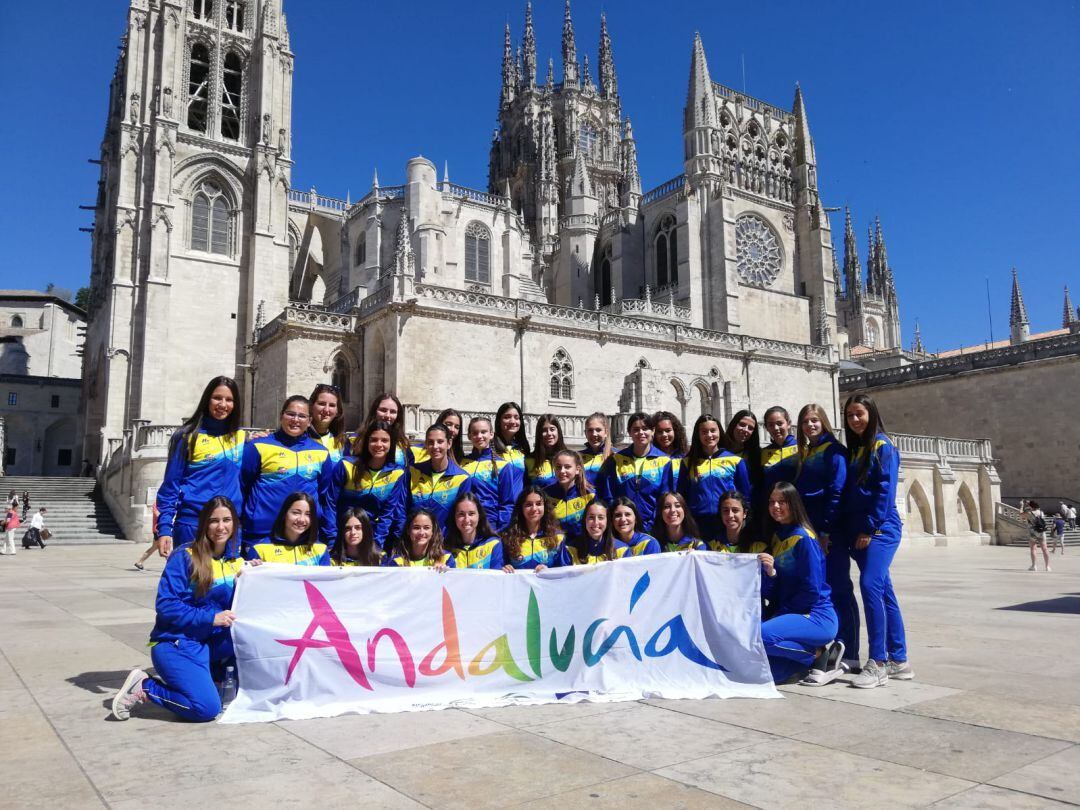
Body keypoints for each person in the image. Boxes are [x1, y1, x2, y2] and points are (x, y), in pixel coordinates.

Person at [111, 496, 252, 722]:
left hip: (209, 644)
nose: (221, 527)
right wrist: (210, 617)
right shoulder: (185, 556)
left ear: (234, 523)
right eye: (213, 521)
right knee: (205, 708)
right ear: (204, 524)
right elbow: (166, 605)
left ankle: (212, 677)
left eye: (227, 520)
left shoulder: (236, 561)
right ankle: (146, 687)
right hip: (177, 643)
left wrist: (254, 576)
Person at [841, 393, 912, 686]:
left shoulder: (883, 447)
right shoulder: (857, 449)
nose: (855, 420)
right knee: (883, 590)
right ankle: (900, 659)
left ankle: (879, 661)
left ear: (871, 414)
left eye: (860, 414)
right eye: (850, 416)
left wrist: (869, 529)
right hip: (860, 529)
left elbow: (884, 493)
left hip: (879, 529)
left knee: (870, 585)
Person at [758, 483, 843, 686]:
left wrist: (782, 613)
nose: (775, 506)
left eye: (781, 501)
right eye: (772, 502)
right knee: (773, 675)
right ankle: (807, 661)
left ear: (793, 503)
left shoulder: (805, 538)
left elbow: (811, 590)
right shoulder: (779, 536)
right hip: (792, 612)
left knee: (760, 635)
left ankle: (820, 653)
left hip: (816, 615)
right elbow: (778, 586)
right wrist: (771, 574)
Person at [155, 376, 247, 555]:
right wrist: (164, 528)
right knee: (191, 581)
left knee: (226, 582)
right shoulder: (186, 436)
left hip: (229, 528)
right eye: (217, 398)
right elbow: (170, 487)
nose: (223, 404)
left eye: (229, 400)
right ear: (207, 400)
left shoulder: (241, 439)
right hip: (192, 524)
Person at [793, 403, 855, 660]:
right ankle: (826, 650)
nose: (810, 425)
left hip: (829, 533)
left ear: (825, 422)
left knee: (839, 589)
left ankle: (849, 651)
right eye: (806, 421)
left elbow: (837, 491)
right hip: (810, 530)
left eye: (815, 420)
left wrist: (827, 531)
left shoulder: (834, 451)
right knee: (818, 589)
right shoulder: (808, 451)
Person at [240, 395, 333, 547]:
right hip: (261, 534)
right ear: (281, 415)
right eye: (291, 414)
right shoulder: (258, 446)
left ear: (309, 421)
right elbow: (243, 486)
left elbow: (324, 494)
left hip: (303, 536)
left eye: (302, 416)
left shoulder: (321, 453)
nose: (295, 420)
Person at [324, 420, 407, 551]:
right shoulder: (346, 466)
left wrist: (377, 546)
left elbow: (387, 514)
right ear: (366, 442)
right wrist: (332, 539)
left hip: (372, 541)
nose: (379, 445)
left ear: (391, 444)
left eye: (384, 440)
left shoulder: (397, 473)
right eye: (374, 440)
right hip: (341, 538)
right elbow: (330, 504)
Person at [596, 412, 674, 533]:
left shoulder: (663, 461)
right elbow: (609, 495)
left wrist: (651, 523)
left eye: (645, 429)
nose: (641, 433)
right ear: (629, 432)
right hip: (622, 526)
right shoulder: (617, 460)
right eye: (636, 429)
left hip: (653, 528)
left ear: (653, 431)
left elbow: (664, 498)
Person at [678, 413, 751, 539]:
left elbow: (745, 495)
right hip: (698, 523)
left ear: (719, 432)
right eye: (704, 432)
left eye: (713, 431)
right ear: (698, 435)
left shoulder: (735, 461)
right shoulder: (687, 463)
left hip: (727, 522)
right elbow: (682, 495)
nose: (709, 435)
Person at [407, 423, 473, 534]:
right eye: (431, 442)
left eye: (440, 442)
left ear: (449, 443)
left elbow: (462, 515)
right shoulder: (413, 471)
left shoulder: (462, 478)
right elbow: (403, 509)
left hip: (445, 544)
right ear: (426, 445)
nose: (435, 446)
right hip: (415, 541)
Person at [461, 416, 521, 532]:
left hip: (491, 525)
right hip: (465, 524)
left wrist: (499, 530)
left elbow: (507, 503)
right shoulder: (462, 464)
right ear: (469, 436)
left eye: (483, 432)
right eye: (475, 433)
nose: (479, 436)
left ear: (491, 434)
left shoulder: (503, 466)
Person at [247, 492, 330, 566]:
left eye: (308, 514)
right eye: (296, 513)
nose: (301, 519)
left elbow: (325, 582)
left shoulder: (321, 550)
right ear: (284, 514)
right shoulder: (260, 549)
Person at [500, 486, 571, 571]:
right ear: (521, 508)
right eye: (528, 505)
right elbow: (497, 569)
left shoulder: (557, 538)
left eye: (538, 504)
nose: (534, 509)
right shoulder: (508, 537)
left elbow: (564, 572)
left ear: (545, 507)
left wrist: (549, 570)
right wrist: (504, 568)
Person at [444, 492, 504, 569]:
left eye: (471, 513)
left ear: (479, 515)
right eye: (461, 514)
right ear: (454, 517)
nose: (466, 520)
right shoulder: (446, 548)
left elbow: (497, 577)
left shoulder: (493, 544)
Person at [544, 449, 593, 539]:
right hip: (555, 548)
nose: (562, 471)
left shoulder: (589, 495)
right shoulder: (545, 495)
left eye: (567, 467)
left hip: (580, 548)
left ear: (577, 470)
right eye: (558, 467)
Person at [384, 509, 455, 569]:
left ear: (432, 531)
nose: (421, 532)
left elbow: (453, 583)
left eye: (426, 528)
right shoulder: (396, 562)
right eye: (416, 528)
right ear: (408, 531)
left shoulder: (445, 558)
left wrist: (443, 574)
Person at [760, 406, 798, 515]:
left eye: (779, 423)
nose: (775, 428)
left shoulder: (802, 449)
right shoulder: (763, 453)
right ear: (766, 428)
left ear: (788, 423)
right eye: (771, 425)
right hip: (772, 510)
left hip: (796, 509)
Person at [359, 392, 413, 469]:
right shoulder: (355, 440)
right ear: (375, 411)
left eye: (393, 412)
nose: (388, 415)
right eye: (383, 410)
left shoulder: (403, 443)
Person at [569, 499, 629, 564]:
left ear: (607, 521)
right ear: (585, 520)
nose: (596, 522)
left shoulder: (622, 550)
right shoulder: (570, 550)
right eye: (591, 517)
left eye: (601, 517)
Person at [308, 383, 349, 463]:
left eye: (332, 405)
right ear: (311, 406)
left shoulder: (342, 443)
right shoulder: (300, 439)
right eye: (321, 404)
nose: (326, 410)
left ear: (337, 411)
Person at [525, 414, 568, 488]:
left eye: (552, 429)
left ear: (558, 432)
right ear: (539, 434)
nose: (549, 434)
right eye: (544, 430)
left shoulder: (569, 458)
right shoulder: (529, 460)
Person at [652, 411, 689, 487]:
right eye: (659, 431)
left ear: (675, 431)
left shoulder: (685, 458)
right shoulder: (650, 459)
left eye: (668, 430)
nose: (664, 435)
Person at [494, 401, 530, 475]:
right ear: (499, 421)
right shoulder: (491, 447)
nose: (513, 421)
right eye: (507, 417)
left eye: (516, 418)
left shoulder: (522, 447)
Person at [581, 412, 612, 487]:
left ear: (606, 432)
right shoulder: (578, 457)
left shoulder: (616, 456)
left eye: (598, 430)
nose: (594, 434)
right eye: (590, 430)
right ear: (585, 433)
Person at [133, 504, 163, 570]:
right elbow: (157, 514)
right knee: (165, 548)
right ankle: (172, 566)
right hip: (159, 530)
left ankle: (139, 562)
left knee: (154, 548)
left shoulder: (162, 503)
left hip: (160, 529)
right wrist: (167, 514)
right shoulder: (156, 504)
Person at [1025, 500, 1051, 572]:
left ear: (1030, 506)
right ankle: (1047, 566)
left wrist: (1022, 505)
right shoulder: (1041, 512)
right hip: (1041, 532)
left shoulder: (1029, 513)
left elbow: (1020, 514)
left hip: (1033, 532)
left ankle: (1034, 566)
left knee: (1033, 549)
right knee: (1045, 549)